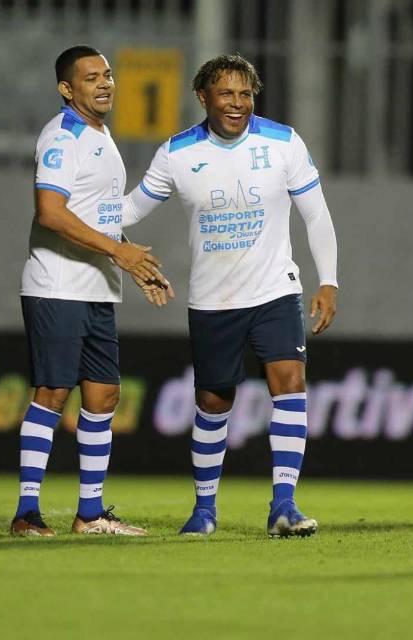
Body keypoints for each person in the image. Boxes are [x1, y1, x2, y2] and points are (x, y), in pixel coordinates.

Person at [122, 53, 339, 537]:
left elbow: (317, 216)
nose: (238, 103)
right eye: (227, 93)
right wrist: (81, 220)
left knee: (290, 382)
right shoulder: (176, 154)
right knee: (213, 402)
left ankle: (283, 504)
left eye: (246, 93)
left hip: (274, 289)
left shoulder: (283, 142)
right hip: (213, 300)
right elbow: (130, 210)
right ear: (202, 98)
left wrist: (328, 280)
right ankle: (204, 509)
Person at [10, 45, 174, 538]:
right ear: (67, 88)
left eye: (107, 75)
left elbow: (95, 212)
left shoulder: (100, 136)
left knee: (103, 396)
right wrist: (118, 253)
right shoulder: (62, 137)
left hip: (97, 287)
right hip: (57, 284)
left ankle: (91, 513)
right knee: (53, 392)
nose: (105, 83)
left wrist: (131, 259)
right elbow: (51, 213)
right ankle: (27, 512)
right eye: (91, 78)